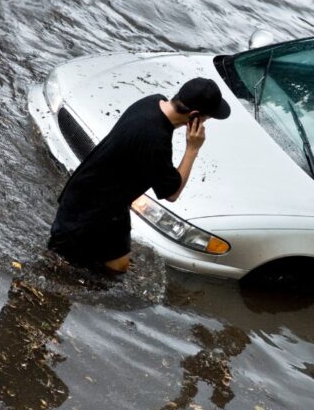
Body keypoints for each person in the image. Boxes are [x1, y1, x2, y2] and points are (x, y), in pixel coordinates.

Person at [47, 78, 230, 273]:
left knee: (118, 267)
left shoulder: (152, 102)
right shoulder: (155, 139)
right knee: (58, 267)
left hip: (107, 202)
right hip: (88, 213)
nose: (204, 123)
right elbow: (172, 193)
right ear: (194, 115)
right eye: (206, 118)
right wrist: (192, 149)